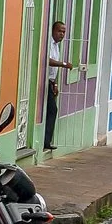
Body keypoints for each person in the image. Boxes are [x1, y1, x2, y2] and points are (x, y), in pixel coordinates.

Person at [43, 20, 68, 151]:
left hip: (51, 81)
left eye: (64, 32)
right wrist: (63, 64)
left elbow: (54, 70)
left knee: (50, 110)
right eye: (59, 31)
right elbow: (47, 60)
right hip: (44, 81)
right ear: (53, 31)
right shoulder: (49, 44)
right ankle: (46, 141)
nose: (62, 34)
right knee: (52, 109)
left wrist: (55, 83)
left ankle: (47, 140)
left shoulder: (56, 46)